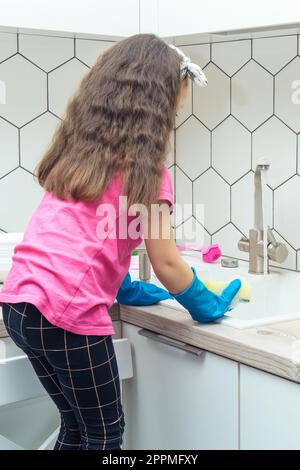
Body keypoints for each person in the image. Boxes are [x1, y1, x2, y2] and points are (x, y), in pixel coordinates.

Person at [0, 33, 240, 451]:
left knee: (75, 427)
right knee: (105, 434)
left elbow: (82, 237)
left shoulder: (79, 152)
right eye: (175, 107)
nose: (176, 117)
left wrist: (121, 285)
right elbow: (166, 262)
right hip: (67, 318)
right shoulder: (147, 173)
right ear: (157, 109)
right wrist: (204, 302)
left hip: (20, 304)